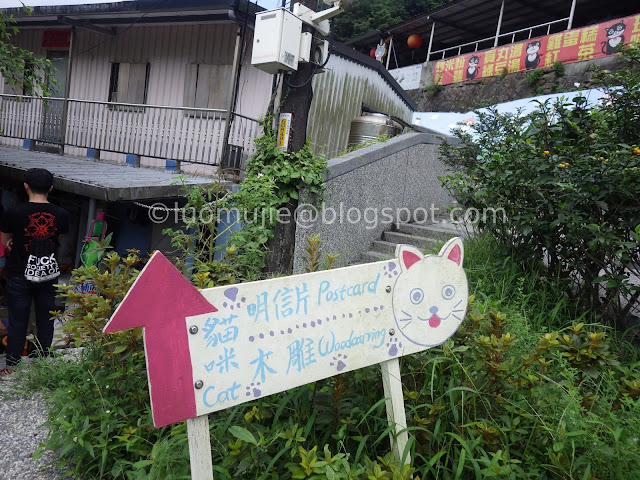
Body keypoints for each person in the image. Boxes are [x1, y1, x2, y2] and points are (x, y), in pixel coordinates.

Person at [0, 169, 69, 374]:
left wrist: (13, 244)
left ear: (26, 186)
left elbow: (5, 243)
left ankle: (12, 367)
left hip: (18, 272)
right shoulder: (62, 214)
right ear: (50, 188)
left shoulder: (13, 212)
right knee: (46, 319)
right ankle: (43, 365)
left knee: (17, 320)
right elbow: (59, 241)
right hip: (48, 272)